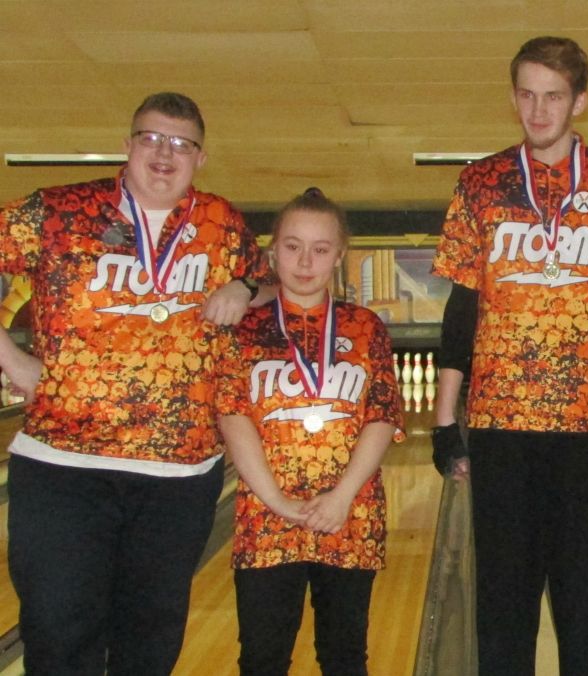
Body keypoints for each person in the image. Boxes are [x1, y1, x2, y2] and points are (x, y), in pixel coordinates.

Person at [0, 92, 274, 675]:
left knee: (148, 649)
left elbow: (267, 280)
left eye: (181, 144)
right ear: (127, 146)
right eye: (151, 138)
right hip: (62, 467)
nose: (164, 154)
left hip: (177, 479)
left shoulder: (222, 222)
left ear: (200, 158)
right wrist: (13, 361)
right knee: (57, 633)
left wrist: (245, 287)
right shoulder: (58, 210)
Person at [429, 36, 588, 676]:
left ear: (580, 101)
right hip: (499, 430)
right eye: (527, 95)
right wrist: (445, 418)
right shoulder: (480, 183)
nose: (538, 111)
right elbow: (462, 307)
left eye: (554, 97)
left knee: (586, 617)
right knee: (503, 619)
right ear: (514, 97)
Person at [216, 188, 403, 676]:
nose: (305, 262)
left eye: (320, 249)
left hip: (350, 515)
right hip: (265, 517)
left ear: (339, 256)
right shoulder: (244, 329)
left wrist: (341, 497)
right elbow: (233, 417)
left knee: (345, 659)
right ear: (272, 251)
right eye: (293, 246)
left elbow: (382, 416)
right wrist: (278, 502)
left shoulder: (366, 327)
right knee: (262, 660)